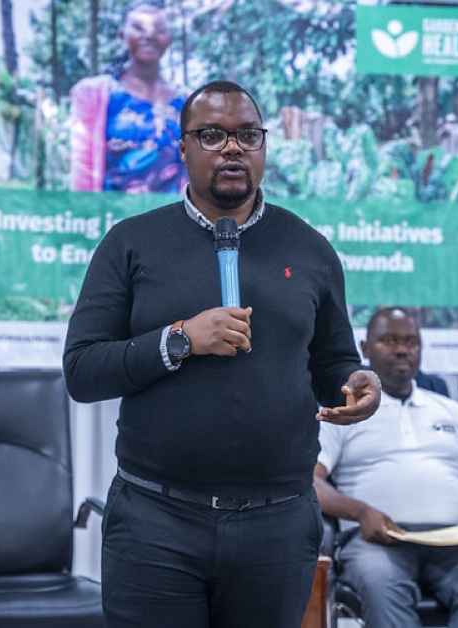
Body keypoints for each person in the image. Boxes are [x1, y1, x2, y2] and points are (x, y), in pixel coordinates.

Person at [62, 80, 382, 627]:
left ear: (263, 147)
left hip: (277, 525)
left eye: (247, 135)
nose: (232, 148)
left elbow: (331, 361)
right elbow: (83, 371)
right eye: (211, 135)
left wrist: (358, 383)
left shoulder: (310, 249)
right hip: (155, 521)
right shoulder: (131, 242)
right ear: (182, 147)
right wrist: (180, 338)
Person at [315, 307, 458, 627]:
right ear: (364, 349)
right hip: (378, 542)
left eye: (411, 341)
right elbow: (310, 482)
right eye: (389, 340)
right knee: (377, 580)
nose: (402, 349)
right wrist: (359, 512)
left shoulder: (453, 411)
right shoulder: (345, 412)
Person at [69, 0, 187, 193]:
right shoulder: (94, 94)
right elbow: (83, 168)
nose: (149, 35)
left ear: (169, 38)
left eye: (158, 29)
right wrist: (84, 215)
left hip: (170, 220)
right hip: (111, 219)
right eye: (139, 28)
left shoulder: (188, 102)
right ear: (123, 36)